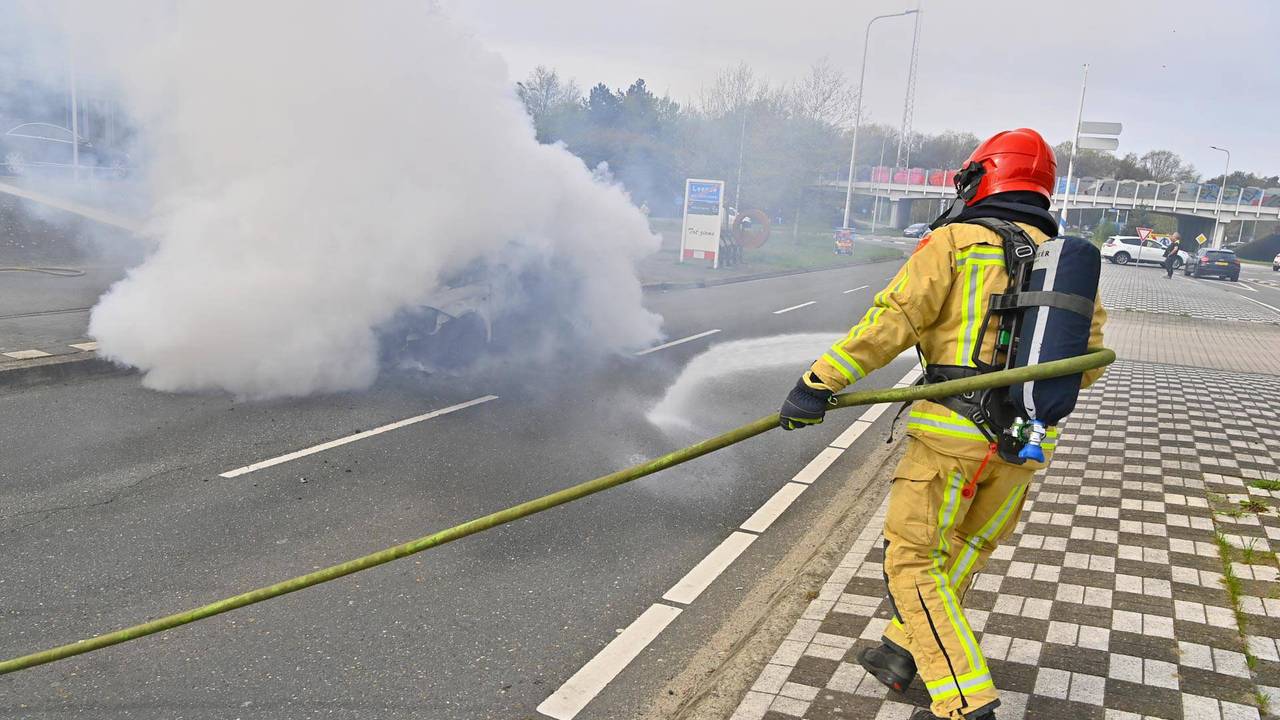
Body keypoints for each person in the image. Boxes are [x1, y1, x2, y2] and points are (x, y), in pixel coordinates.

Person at [778, 128, 1107, 720]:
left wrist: (818, 383)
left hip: (950, 440)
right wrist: (1017, 395)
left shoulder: (955, 241)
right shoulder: (1065, 264)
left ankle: (965, 699)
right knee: (963, 546)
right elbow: (1089, 360)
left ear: (983, 177)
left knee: (911, 561)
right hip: (1025, 444)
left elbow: (895, 320)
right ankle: (903, 649)